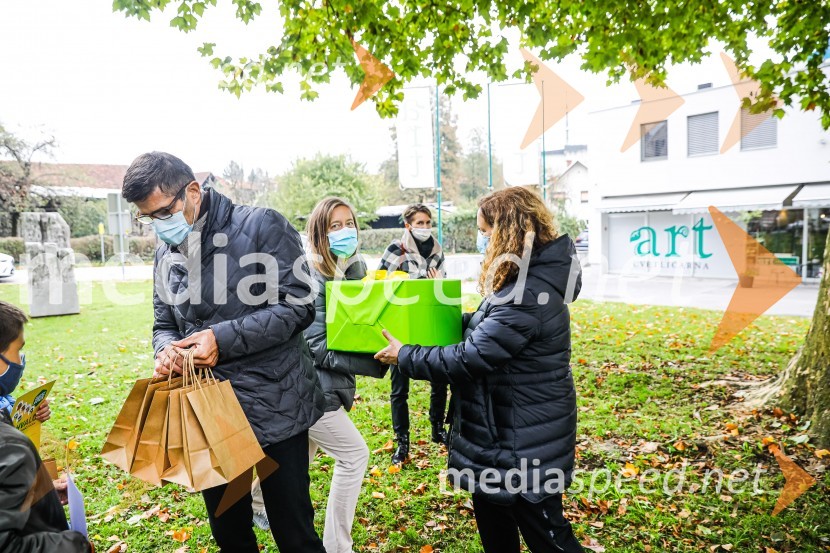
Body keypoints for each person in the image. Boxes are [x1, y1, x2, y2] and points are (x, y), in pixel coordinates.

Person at [122, 152, 326, 553]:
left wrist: (222, 338)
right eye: (149, 218)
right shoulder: (165, 253)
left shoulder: (262, 225)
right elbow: (164, 324)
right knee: (229, 531)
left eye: (164, 211)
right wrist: (166, 352)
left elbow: (299, 306)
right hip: (209, 411)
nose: (159, 225)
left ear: (193, 191)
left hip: (275, 405)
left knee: (293, 531)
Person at [375, 187, 585, 553]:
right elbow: (486, 329)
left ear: (508, 231)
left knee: (548, 536)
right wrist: (437, 321)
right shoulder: (523, 280)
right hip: (498, 436)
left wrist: (405, 355)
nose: (484, 239)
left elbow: (468, 359)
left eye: (487, 231)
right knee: (495, 530)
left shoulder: (527, 293)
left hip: (521, 443)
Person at [0, 301, 94, 553]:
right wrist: (76, 546)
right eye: (18, 349)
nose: (20, 360)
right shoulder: (9, 445)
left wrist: (42, 493)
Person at [378, 204, 449, 464]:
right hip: (403, 325)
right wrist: (417, 281)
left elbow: (444, 287)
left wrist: (438, 283)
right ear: (408, 225)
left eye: (428, 222)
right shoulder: (396, 250)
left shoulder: (439, 252)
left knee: (440, 379)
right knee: (399, 389)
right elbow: (381, 284)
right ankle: (402, 442)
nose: (425, 227)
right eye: (419, 222)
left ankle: (437, 429)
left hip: (431, 322)